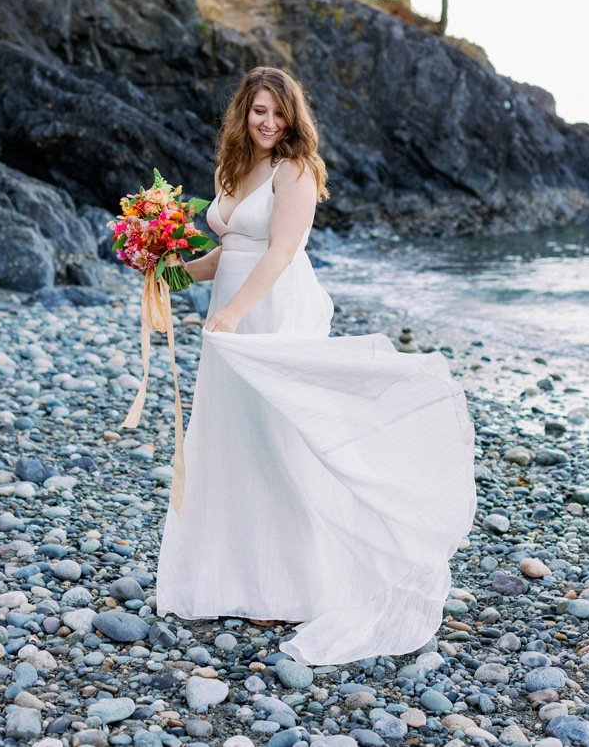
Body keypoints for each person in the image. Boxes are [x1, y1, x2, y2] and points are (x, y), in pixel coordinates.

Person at [154, 65, 475, 666]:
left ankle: (293, 585)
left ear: (293, 116)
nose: (269, 122)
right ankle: (234, 577)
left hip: (272, 305)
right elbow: (229, 249)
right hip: (232, 303)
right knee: (232, 437)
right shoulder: (232, 166)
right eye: (259, 112)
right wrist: (169, 270)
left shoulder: (294, 169)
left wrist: (234, 313)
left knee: (280, 436)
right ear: (243, 114)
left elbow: (280, 251)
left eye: (279, 112)